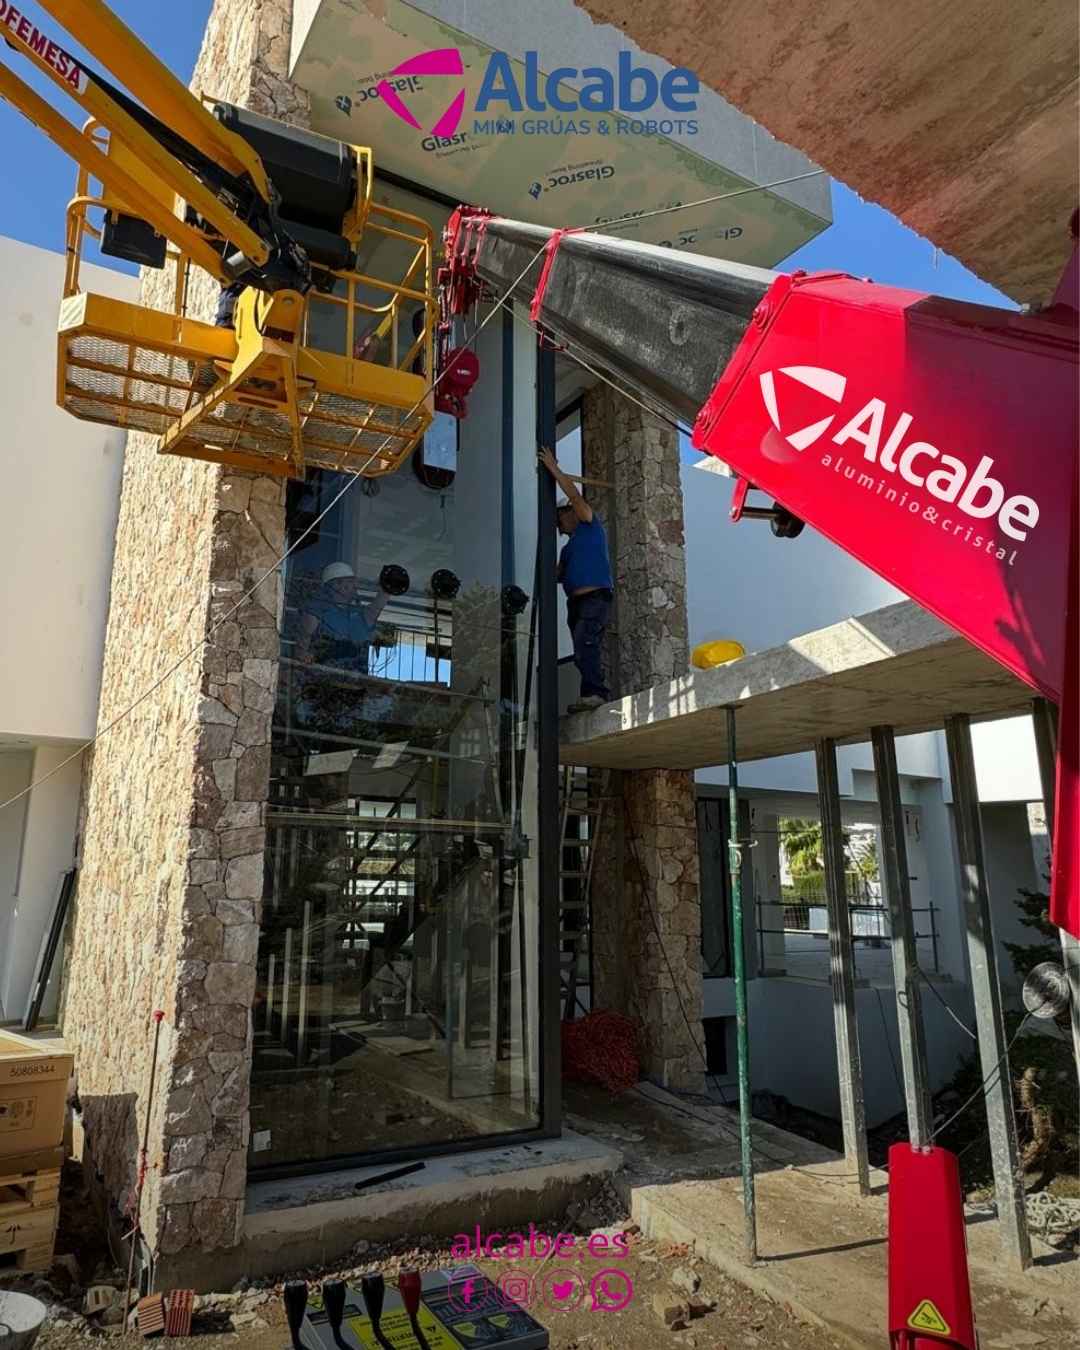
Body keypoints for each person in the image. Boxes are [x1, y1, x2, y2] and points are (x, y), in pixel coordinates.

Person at [539, 447, 614, 712]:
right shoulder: (568, 548)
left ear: (568, 512)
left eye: (559, 521)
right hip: (577, 603)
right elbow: (556, 576)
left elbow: (572, 493)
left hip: (594, 598)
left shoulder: (589, 524)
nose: (559, 528)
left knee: (586, 644)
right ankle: (590, 694)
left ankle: (596, 693)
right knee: (584, 650)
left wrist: (553, 468)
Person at [296, 561, 390, 675]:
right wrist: (303, 655)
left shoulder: (359, 614)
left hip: (356, 681)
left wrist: (387, 586)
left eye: (351, 582)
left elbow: (377, 606)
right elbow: (304, 640)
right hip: (323, 678)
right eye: (341, 582)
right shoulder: (317, 610)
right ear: (332, 587)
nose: (349, 586)